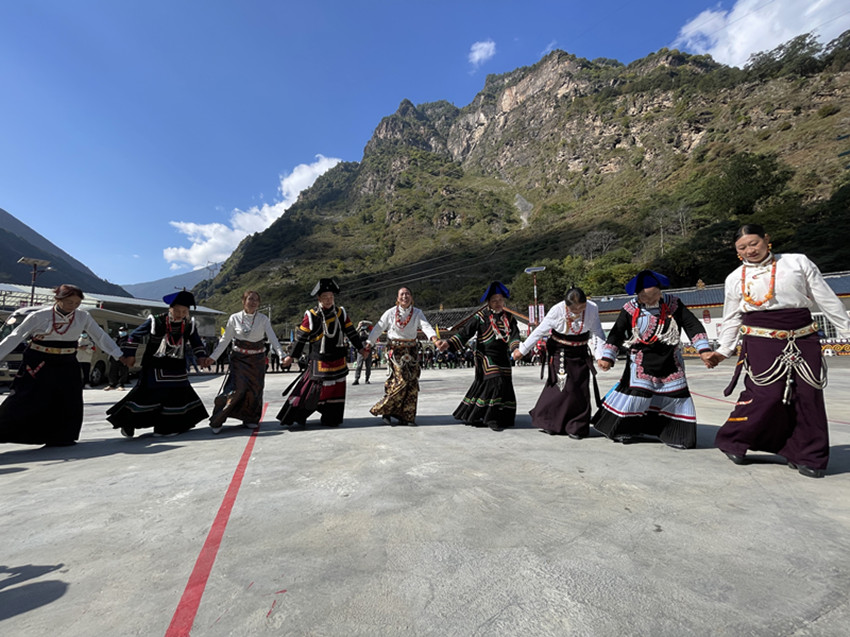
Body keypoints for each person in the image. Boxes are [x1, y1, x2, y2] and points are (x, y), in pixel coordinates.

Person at [707, 224, 850, 478]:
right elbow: (731, 317)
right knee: (767, 395)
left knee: (807, 396)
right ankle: (734, 439)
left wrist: (847, 331)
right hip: (761, 340)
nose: (750, 250)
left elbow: (826, 299)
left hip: (803, 337)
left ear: (766, 239)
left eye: (754, 243)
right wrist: (723, 350)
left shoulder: (797, 262)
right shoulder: (734, 278)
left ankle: (809, 455)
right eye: (742, 247)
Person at [593, 270, 714, 449]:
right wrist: (607, 357)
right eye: (645, 297)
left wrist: (704, 350)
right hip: (640, 361)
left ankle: (676, 435)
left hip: (670, 359)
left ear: (660, 291)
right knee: (638, 395)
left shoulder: (674, 304)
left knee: (676, 395)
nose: (650, 300)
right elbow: (617, 333)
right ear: (638, 295)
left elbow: (692, 325)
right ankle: (626, 430)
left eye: (654, 295)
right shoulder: (630, 309)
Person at [0, 284, 128, 446]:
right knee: (25, 395)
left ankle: (61, 436)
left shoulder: (83, 316)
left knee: (67, 398)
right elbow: (16, 336)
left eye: (77, 303)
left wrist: (118, 354)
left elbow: (100, 336)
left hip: (67, 361)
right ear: (57, 299)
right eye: (69, 302)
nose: (73, 306)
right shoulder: (39, 316)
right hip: (39, 360)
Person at [106, 290, 213, 438]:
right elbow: (134, 336)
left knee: (179, 395)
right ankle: (128, 423)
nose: (180, 314)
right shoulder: (156, 321)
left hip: (177, 366)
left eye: (184, 311)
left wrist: (201, 357)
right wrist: (130, 355)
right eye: (177, 311)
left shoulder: (189, 324)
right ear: (170, 308)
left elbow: (196, 343)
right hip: (154, 366)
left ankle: (166, 428)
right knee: (148, 396)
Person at [512, 287, 606, 438]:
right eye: (573, 309)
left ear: (586, 303)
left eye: (581, 307)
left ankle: (577, 426)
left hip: (580, 351)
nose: (577, 311)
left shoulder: (592, 308)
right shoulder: (557, 310)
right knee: (563, 386)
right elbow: (539, 331)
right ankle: (550, 421)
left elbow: (598, 332)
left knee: (580, 388)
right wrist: (522, 350)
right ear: (566, 305)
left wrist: (601, 355)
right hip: (560, 351)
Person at [277, 279, 368, 429]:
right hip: (319, 361)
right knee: (312, 390)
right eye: (325, 297)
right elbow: (301, 338)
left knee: (336, 389)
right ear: (319, 298)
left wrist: (360, 348)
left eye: (331, 297)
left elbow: (351, 332)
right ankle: (297, 416)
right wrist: (291, 357)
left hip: (338, 359)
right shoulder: (311, 315)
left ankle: (331, 417)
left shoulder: (341, 313)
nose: (328, 300)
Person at [442, 281, 520, 431]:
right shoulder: (481, 317)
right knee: (495, 380)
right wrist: (449, 343)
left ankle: (500, 416)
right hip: (485, 356)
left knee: (504, 383)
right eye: (494, 300)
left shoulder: (509, 318)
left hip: (503, 356)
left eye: (500, 300)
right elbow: (465, 333)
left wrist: (516, 349)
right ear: (488, 302)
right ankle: (491, 418)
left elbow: (514, 335)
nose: (498, 303)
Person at [207, 290, 284, 433]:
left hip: (257, 361)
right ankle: (217, 420)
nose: (253, 302)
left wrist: (282, 355)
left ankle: (250, 419)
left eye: (256, 299)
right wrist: (213, 357)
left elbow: (273, 338)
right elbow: (225, 340)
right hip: (239, 360)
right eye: (250, 299)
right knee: (237, 390)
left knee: (255, 391)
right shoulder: (234, 318)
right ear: (244, 301)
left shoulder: (263, 319)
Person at [366, 287, 442, 426]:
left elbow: (425, 326)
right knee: (400, 381)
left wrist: (435, 339)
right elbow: (378, 328)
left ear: (411, 297)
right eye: (402, 294)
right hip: (395, 350)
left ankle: (407, 416)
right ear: (397, 298)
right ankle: (385, 410)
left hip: (412, 350)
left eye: (407, 294)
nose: (405, 296)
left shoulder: (417, 313)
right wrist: (369, 343)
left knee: (412, 382)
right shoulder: (390, 313)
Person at [105, 326, 130, 390]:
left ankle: (121, 385)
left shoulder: (129, 339)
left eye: (123, 330)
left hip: (124, 356)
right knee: (113, 371)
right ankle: (112, 384)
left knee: (123, 371)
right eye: (120, 330)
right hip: (114, 356)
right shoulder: (115, 338)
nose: (122, 332)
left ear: (126, 331)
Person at [352, 320, 373, 385]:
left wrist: (367, 324)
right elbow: (353, 334)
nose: (363, 326)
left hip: (368, 349)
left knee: (368, 365)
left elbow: (372, 335)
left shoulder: (369, 330)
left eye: (364, 324)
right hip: (361, 349)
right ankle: (356, 378)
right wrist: (359, 327)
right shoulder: (359, 331)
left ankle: (367, 379)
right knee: (359, 365)